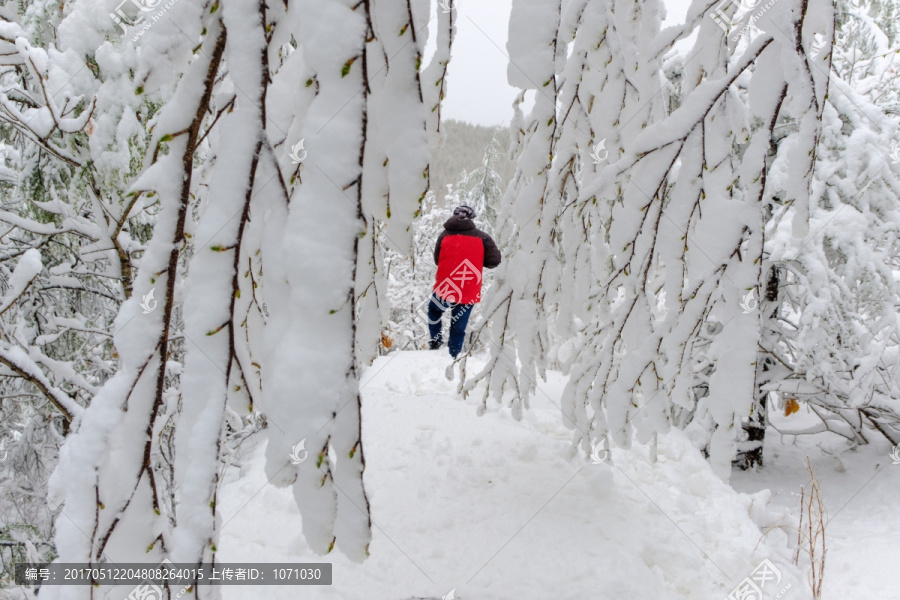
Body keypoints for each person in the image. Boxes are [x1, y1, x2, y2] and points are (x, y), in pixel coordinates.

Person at [426, 205, 501, 358]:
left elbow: (436, 260)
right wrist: (477, 258)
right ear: (471, 218)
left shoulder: (444, 235)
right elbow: (495, 260)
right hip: (468, 287)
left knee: (434, 310)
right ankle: (453, 356)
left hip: (446, 286)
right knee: (458, 325)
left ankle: (435, 341)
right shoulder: (483, 237)